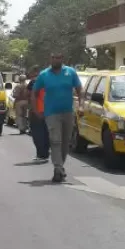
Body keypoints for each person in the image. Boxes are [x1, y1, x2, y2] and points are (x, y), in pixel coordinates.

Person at [32, 54, 83, 182]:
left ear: (62, 59)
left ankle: (60, 167)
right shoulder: (44, 75)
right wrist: (35, 110)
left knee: (66, 142)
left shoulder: (70, 72)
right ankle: (58, 168)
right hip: (51, 113)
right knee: (55, 140)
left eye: (59, 57)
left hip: (67, 112)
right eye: (54, 57)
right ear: (50, 59)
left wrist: (81, 105)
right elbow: (34, 92)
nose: (56, 60)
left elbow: (79, 89)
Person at [26, 67, 50, 162]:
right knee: (47, 133)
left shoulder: (34, 82)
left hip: (37, 111)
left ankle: (41, 155)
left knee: (37, 134)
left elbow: (27, 94)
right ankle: (45, 153)